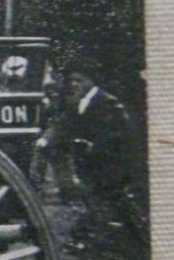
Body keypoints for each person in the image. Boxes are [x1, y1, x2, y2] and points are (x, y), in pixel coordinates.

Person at [56, 69, 147, 248]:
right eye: (72, 81)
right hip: (93, 161)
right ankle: (84, 236)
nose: (74, 84)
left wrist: (94, 145)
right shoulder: (79, 101)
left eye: (79, 80)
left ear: (90, 80)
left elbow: (119, 132)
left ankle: (139, 235)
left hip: (109, 161)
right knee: (95, 198)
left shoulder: (107, 101)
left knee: (112, 199)